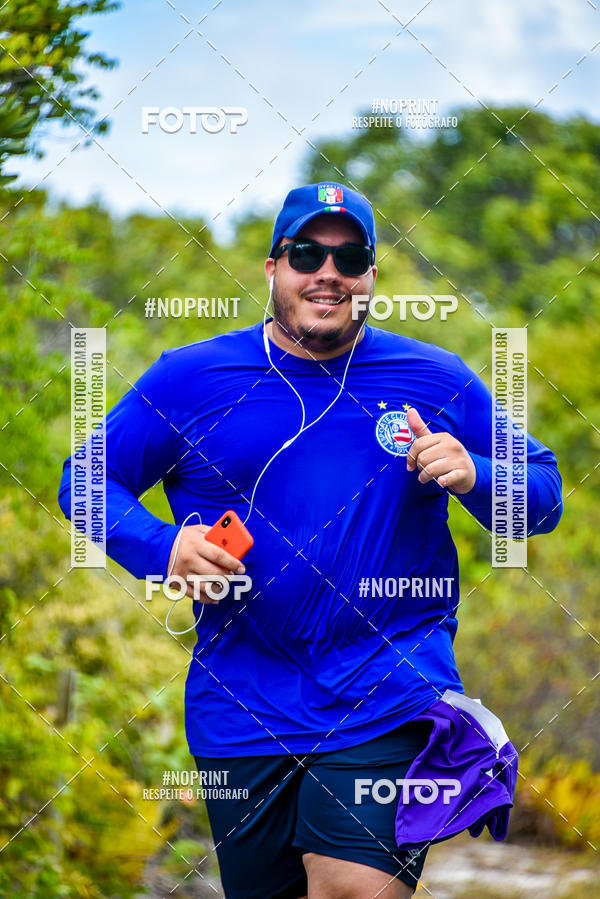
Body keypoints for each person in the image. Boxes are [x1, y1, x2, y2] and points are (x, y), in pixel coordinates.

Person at [58, 182, 562, 898]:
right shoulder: (191, 378)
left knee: (352, 888)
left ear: (370, 277)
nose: (328, 271)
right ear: (273, 268)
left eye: (349, 254)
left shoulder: (433, 378)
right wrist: (162, 547)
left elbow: (542, 495)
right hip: (240, 706)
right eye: (306, 253)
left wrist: (477, 473)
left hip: (386, 690)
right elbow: (84, 479)